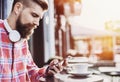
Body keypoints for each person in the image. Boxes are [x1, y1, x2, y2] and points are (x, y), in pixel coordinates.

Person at [0, 0, 63, 82]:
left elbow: (31, 72)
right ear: (18, 8)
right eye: (34, 15)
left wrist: (48, 70)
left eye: (39, 19)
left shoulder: (22, 39)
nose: (37, 23)